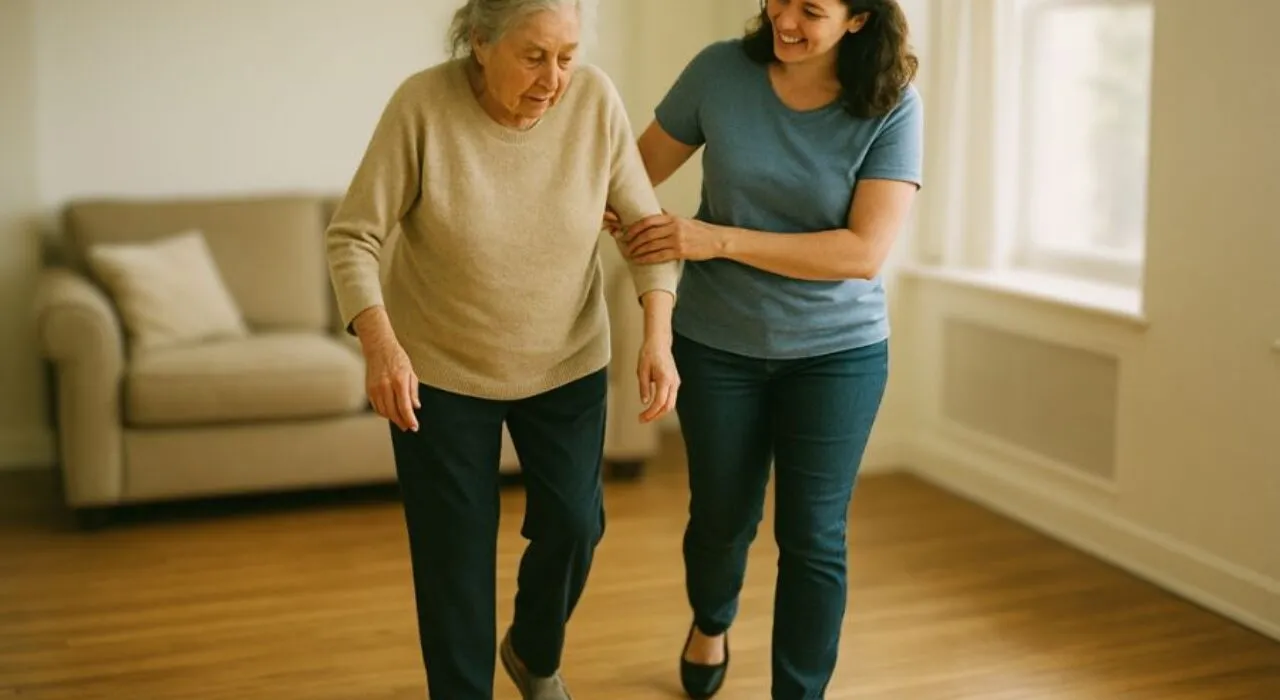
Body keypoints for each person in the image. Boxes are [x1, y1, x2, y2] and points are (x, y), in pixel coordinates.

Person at [324, 1, 681, 698]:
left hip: (567, 360)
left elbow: (647, 230)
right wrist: (382, 345)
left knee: (577, 524)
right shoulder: (422, 105)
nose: (555, 79)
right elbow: (352, 236)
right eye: (534, 55)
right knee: (454, 562)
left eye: (568, 56)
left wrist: (657, 337)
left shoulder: (595, 102)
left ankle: (533, 651)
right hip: (441, 370)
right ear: (480, 43)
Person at [608, 0, 923, 697]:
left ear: (859, 19)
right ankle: (711, 619)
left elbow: (863, 252)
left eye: (811, 9)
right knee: (721, 519)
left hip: (839, 352)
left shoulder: (891, 103)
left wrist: (713, 238)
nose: (785, 18)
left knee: (813, 537)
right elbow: (628, 180)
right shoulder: (721, 72)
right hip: (718, 343)